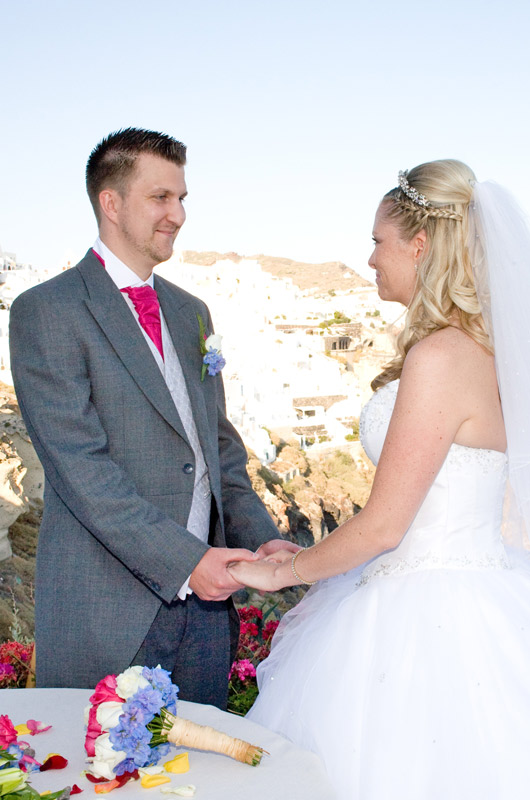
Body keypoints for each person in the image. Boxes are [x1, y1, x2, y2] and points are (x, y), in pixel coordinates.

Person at [229, 160, 530, 798]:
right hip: (478, 585)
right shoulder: (488, 351)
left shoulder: (440, 356)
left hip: (423, 618)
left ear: (418, 245)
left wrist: (280, 572)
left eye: (376, 241)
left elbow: (386, 525)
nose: (369, 259)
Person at [9, 127, 295, 706]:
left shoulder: (192, 311)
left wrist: (265, 542)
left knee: (202, 783)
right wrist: (187, 562)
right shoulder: (46, 311)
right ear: (110, 203)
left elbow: (218, 451)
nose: (179, 214)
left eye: (182, 197)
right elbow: (80, 470)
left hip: (209, 619)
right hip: (105, 617)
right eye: (161, 198)